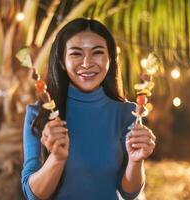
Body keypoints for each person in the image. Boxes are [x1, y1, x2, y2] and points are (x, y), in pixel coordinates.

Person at [21, 18, 156, 200]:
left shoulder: (128, 113)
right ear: (62, 61)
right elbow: (33, 195)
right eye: (76, 54)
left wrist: (135, 160)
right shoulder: (39, 114)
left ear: (110, 59)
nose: (87, 63)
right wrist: (57, 158)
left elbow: (129, 192)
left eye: (97, 52)